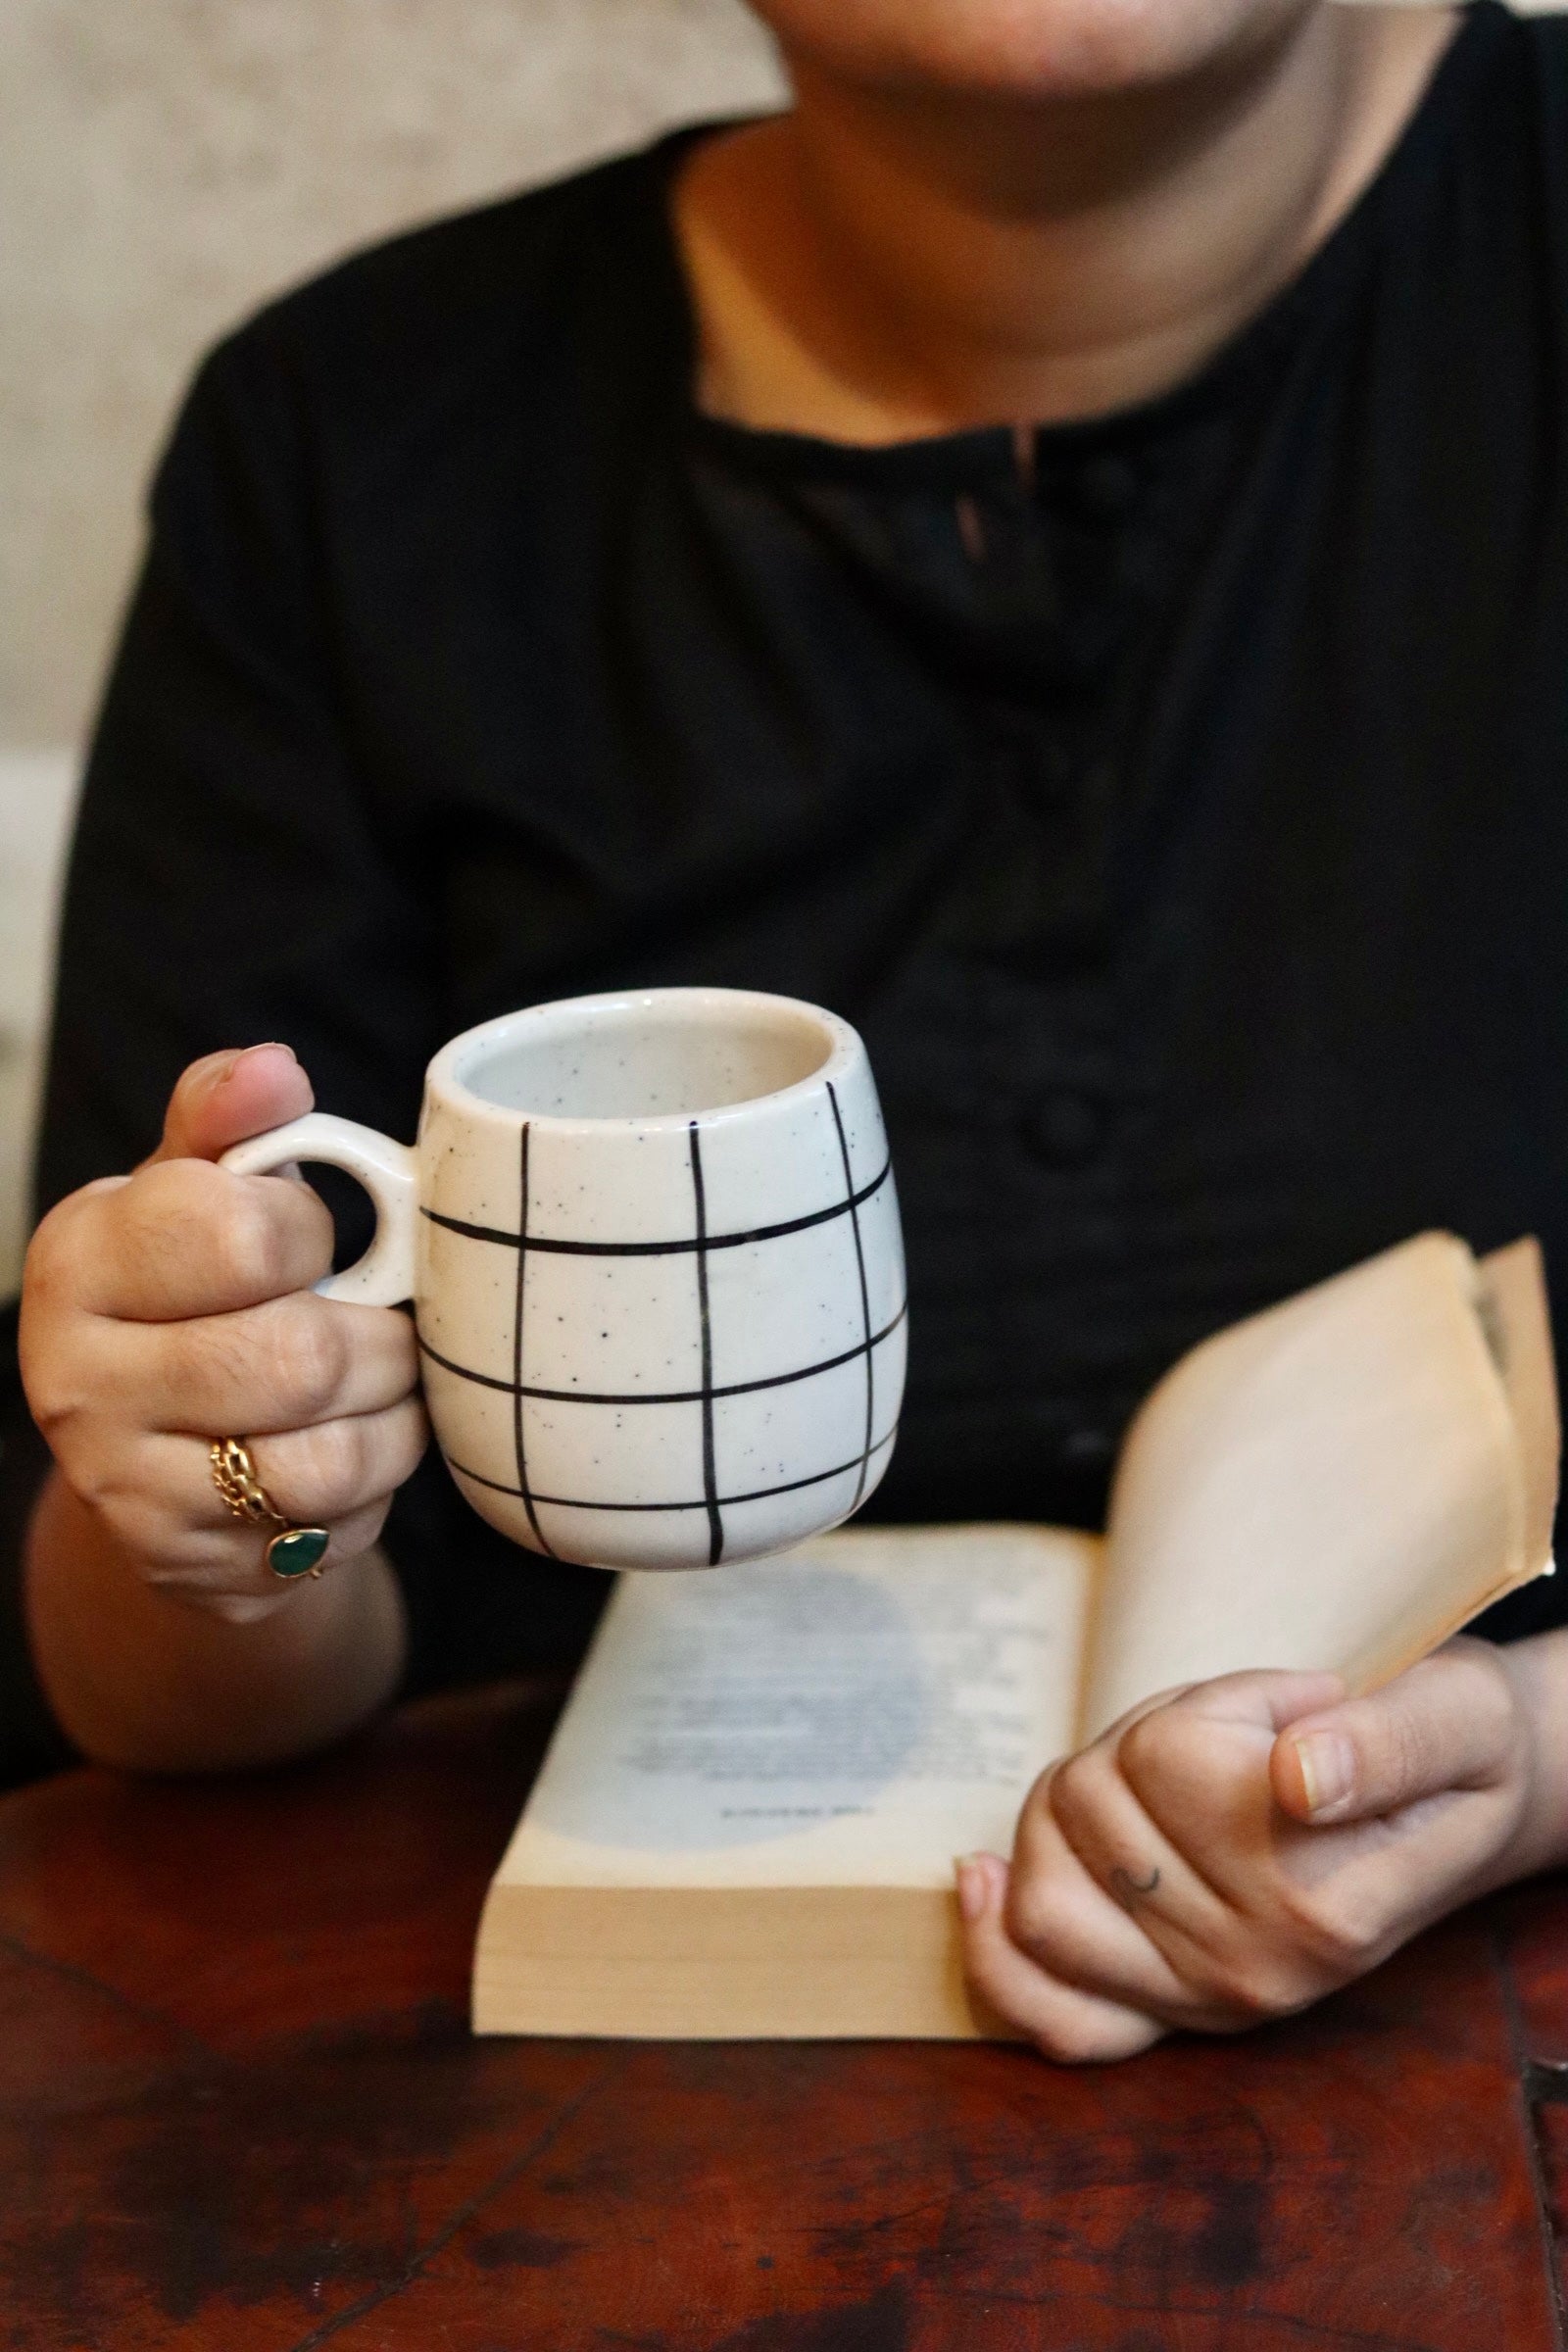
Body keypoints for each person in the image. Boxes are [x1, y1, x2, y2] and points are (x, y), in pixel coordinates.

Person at [7, 0, 1568, 2061]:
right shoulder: (344, 439)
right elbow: (168, 1669)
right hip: (544, 2097)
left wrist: (1534, 1756)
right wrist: (238, 1509)